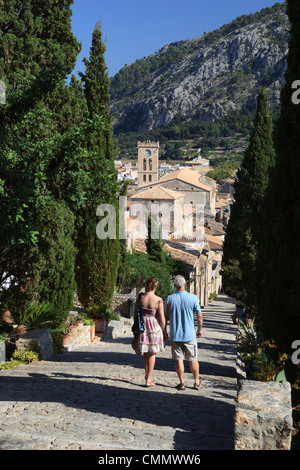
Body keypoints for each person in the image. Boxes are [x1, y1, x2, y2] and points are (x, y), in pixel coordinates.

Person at [165, 275, 202, 391]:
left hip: (176, 334)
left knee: (179, 359)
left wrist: (164, 331)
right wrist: (199, 329)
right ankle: (196, 382)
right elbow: (199, 316)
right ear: (185, 285)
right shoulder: (193, 298)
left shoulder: (169, 299)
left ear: (175, 286)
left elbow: (165, 317)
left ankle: (182, 382)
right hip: (190, 334)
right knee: (193, 359)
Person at [133, 277, 166, 387]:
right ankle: (148, 379)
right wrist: (164, 331)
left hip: (143, 325)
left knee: (146, 352)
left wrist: (136, 328)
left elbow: (135, 314)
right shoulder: (158, 300)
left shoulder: (140, 297)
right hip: (153, 326)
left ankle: (147, 377)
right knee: (152, 353)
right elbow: (162, 319)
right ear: (155, 286)